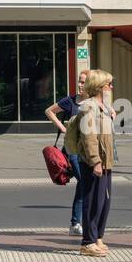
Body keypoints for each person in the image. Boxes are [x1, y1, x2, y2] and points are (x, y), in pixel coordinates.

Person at [73, 69, 116, 258]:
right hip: (93, 162)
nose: (111, 87)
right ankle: (87, 242)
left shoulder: (103, 106)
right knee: (91, 201)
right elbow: (89, 137)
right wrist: (95, 161)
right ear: (99, 86)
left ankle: (97, 236)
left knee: (103, 201)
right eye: (109, 84)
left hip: (106, 161)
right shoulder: (88, 106)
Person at [45, 70, 88, 236]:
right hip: (73, 151)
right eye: (79, 81)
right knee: (85, 182)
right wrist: (63, 129)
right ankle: (79, 222)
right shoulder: (70, 101)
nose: (80, 85)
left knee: (83, 185)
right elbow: (49, 111)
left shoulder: (93, 102)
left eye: (83, 82)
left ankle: (75, 223)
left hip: (87, 151)